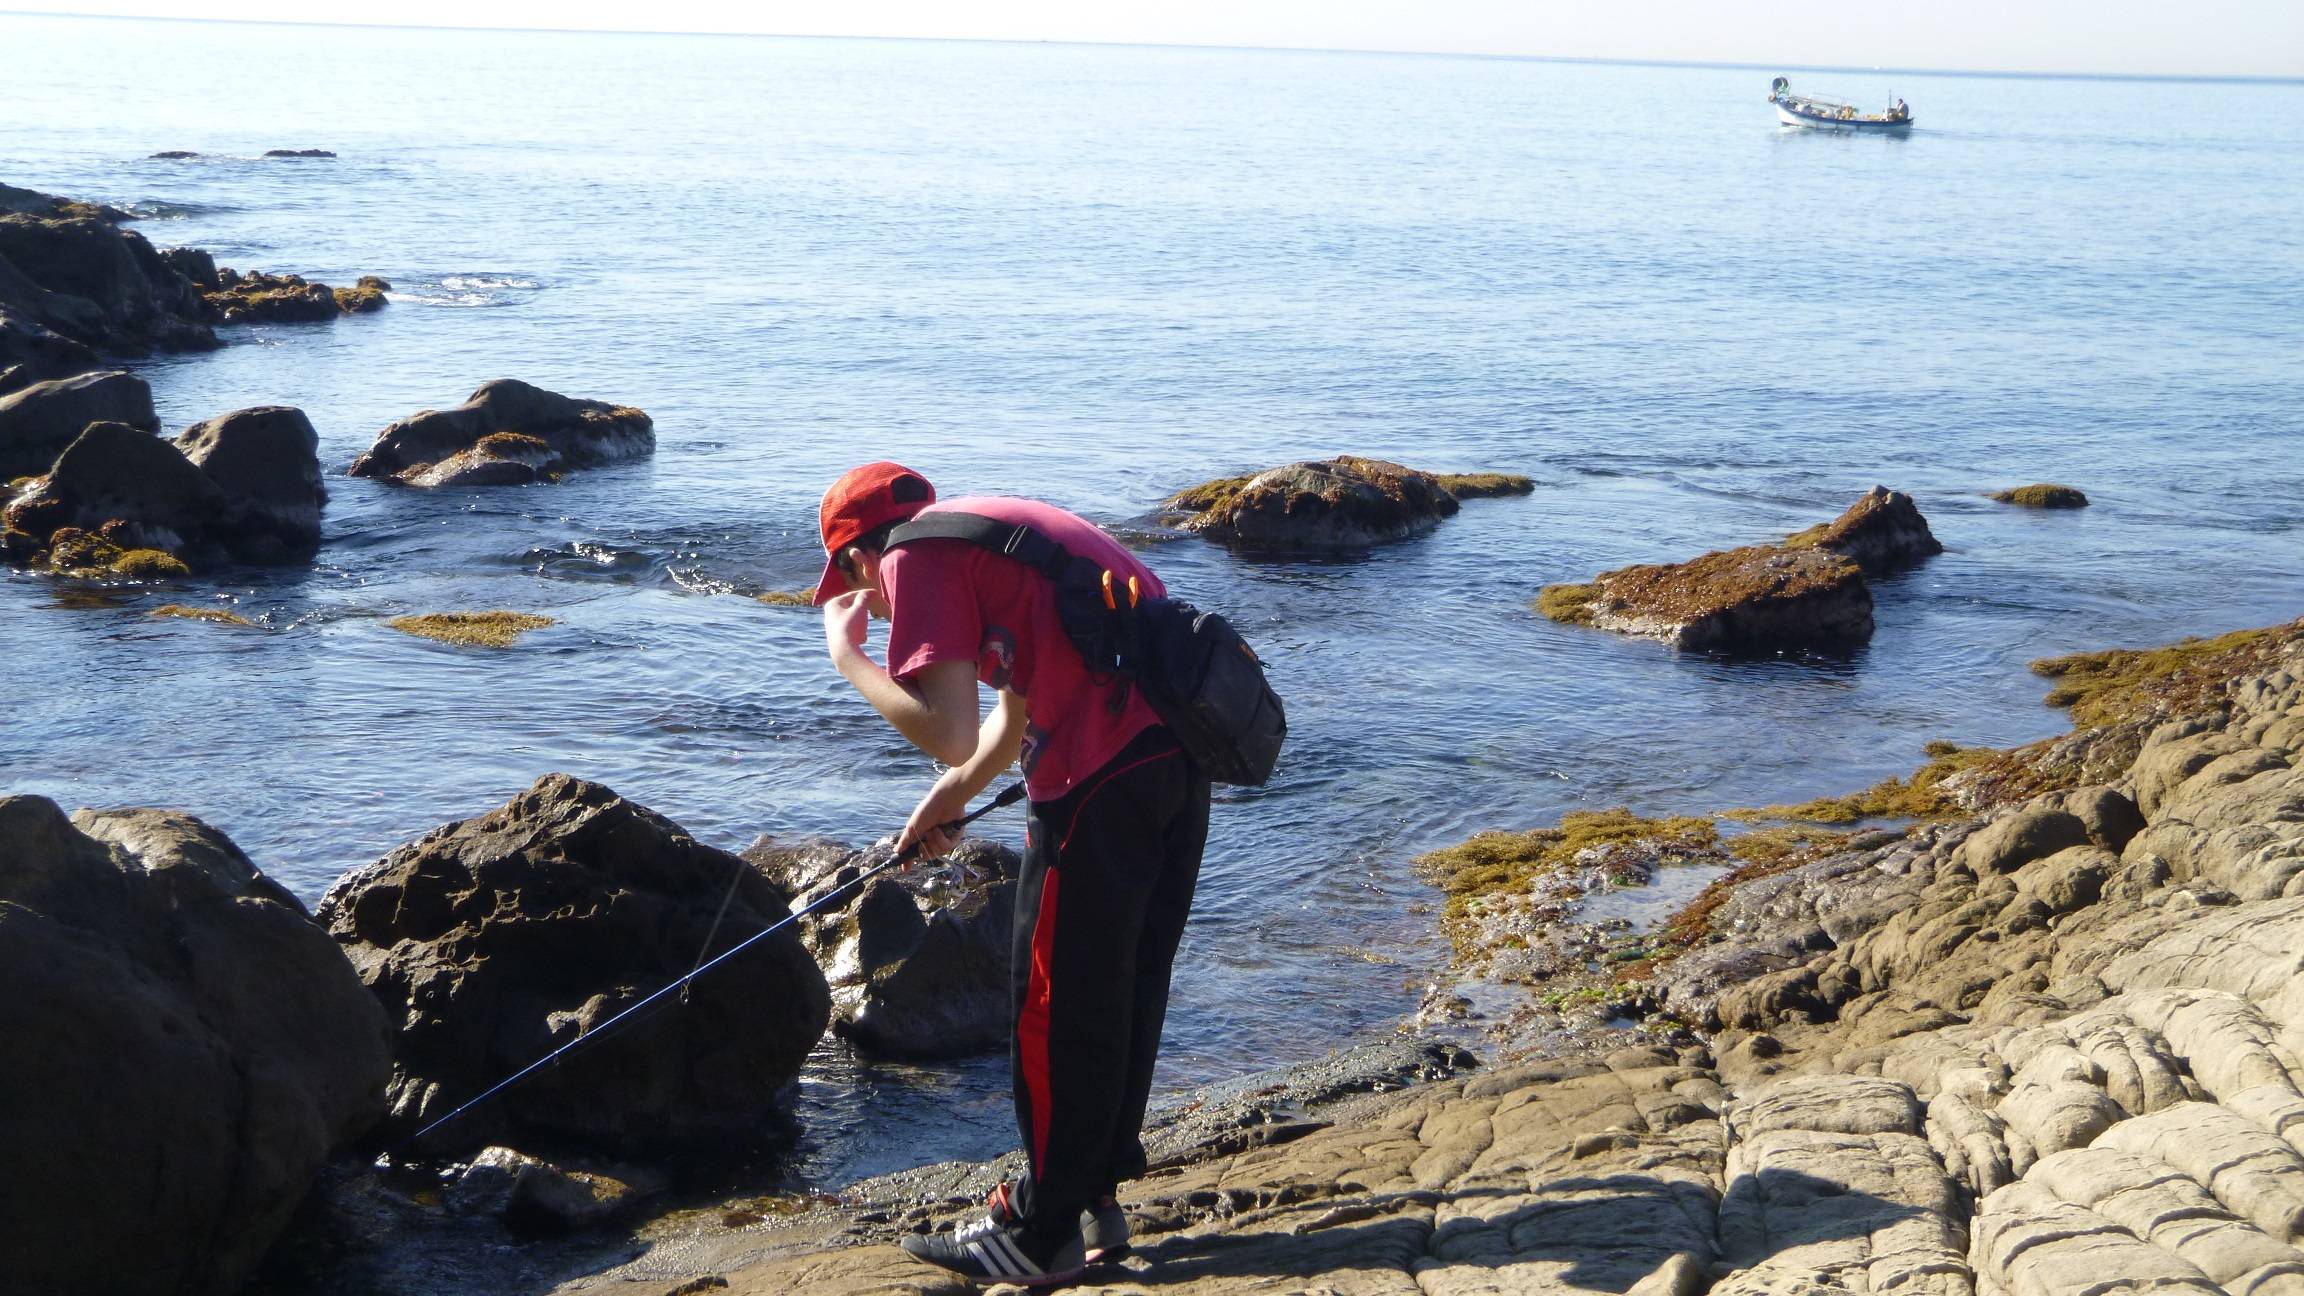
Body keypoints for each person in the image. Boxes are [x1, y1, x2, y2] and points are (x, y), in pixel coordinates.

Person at [813, 461, 1213, 1285]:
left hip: (1099, 780)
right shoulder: (985, 530)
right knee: (1125, 986)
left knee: (1052, 1003)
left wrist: (849, 659)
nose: (875, 602)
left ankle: (1041, 1234)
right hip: (1177, 756)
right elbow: (1011, 716)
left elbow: (950, 729)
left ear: (857, 559)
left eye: (857, 587)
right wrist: (949, 799)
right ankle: (1091, 1196)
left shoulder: (908, 559)